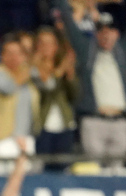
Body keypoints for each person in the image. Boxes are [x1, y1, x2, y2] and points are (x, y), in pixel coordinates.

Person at [57, 0, 126, 162]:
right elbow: (68, 20)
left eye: (111, 31)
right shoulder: (86, 51)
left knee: (116, 175)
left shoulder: (123, 52)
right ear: (96, 34)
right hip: (94, 120)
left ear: (117, 34)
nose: (106, 35)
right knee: (94, 171)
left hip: (120, 122)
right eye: (102, 31)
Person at [0, 34, 40, 159]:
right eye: (9, 53)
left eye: (18, 53)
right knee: (5, 175)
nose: (14, 57)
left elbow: (48, 84)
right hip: (1, 137)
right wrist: (28, 67)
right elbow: (9, 88)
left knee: (28, 176)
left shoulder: (28, 77)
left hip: (25, 136)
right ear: (1, 55)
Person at [32, 26, 78, 159]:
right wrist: (61, 70)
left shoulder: (62, 68)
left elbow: (75, 95)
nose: (46, 47)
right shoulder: (32, 68)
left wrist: (70, 77)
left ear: (56, 46)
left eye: (50, 43)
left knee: (63, 167)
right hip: (42, 126)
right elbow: (48, 87)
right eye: (42, 43)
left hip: (65, 124)